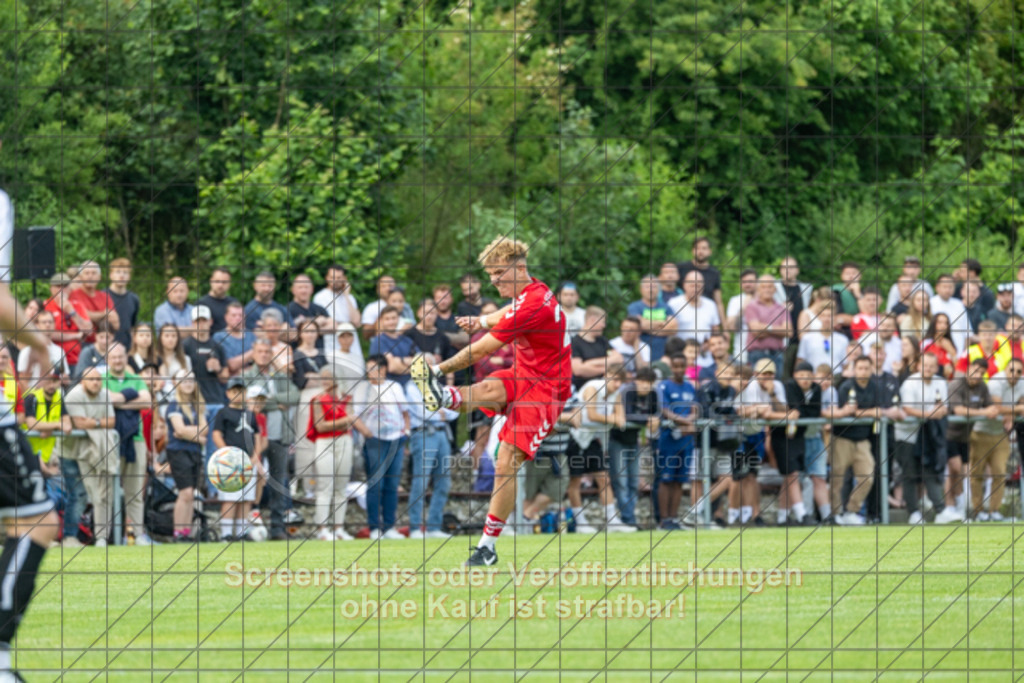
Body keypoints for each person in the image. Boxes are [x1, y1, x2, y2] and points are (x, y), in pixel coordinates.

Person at [409, 236, 573, 567]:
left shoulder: (533, 304)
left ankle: (488, 546)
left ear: (520, 268)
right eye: (491, 274)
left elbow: (482, 349)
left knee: (505, 460)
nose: (493, 280)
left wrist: (437, 368)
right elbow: (507, 312)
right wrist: (481, 321)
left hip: (547, 390)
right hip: (525, 373)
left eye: (499, 272)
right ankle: (444, 397)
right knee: (485, 390)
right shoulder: (531, 292)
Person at [241, 339, 300, 540]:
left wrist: (267, 401)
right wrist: (277, 403)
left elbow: (295, 396)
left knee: (279, 482)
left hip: (279, 437)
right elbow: (247, 402)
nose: (264, 355)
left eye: (268, 351)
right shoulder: (247, 376)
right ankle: (246, 527)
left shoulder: (280, 377)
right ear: (254, 353)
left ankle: (277, 528)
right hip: (255, 437)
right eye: (260, 351)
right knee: (250, 481)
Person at [567, 365, 632, 533]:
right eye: (614, 379)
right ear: (605, 376)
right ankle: (580, 523)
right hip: (575, 438)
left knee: (604, 479)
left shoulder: (616, 394)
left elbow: (621, 418)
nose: (617, 384)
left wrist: (616, 418)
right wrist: (612, 418)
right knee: (575, 481)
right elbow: (592, 414)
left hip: (593, 439)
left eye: (620, 381)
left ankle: (612, 521)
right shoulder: (592, 387)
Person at [104, 343, 154, 544]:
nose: (117, 360)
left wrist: (118, 400)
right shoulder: (101, 379)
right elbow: (104, 400)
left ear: (126, 357)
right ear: (108, 359)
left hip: (136, 440)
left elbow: (146, 402)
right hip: (110, 440)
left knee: (135, 492)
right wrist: (130, 396)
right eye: (113, 357)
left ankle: (136, 535)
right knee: (107, 491)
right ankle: (105, 536)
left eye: (120, 356)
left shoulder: (136, 379)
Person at [896, 352, 955, 524]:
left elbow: (943, 406)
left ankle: (940, 510)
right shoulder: (909, 384)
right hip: (907, 435)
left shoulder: (940, 382)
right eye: (925, 365)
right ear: (918, 366)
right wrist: (930, 414)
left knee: (931, 470)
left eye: (931, 365)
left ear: (936, 367)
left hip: (928, 434)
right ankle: (913, 513)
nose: (928, 369)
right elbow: (907, 409)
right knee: (910, 474)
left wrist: (939, 412)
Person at [64, 368, 119, 548]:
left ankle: (102, 537)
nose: (95, 382)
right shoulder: (74, 395)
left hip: (99, 449)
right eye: (91, 379)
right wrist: (99, 423)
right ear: (82, 381)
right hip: (72, 451)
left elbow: (112, 421)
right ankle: (69, 537)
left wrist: (93, 422)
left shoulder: (104, 394)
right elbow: (79, 423)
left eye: (98, 379)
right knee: (80, 494)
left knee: (104, 493)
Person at [357, 355, 409, 540]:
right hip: (375, 441)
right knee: (375, 484)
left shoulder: (395, 387)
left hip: (396, 439)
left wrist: (406, 433)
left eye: (373, 368)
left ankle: (389, 527)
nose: (369, 372)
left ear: (383, 369)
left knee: (392, 485)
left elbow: (404, 412)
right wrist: (368, 434)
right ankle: (374, 528)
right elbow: (355, 416)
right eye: (368, 368)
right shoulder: (363, 390)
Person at [732, 358, 788, 527]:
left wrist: (772, 396)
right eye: (764, 375)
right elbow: (746, 411)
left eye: (770, 375)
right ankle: (732, 515)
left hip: (756, 435)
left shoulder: (777, 387)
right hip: (741, 434)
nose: (767, 379)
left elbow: (780, 410)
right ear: (756, 375)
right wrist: (763, 411)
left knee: (752, 476)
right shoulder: (750, 387)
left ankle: (753, 514)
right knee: (738, 477)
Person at [306, 366, 358, 541]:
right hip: (325, 442)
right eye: (323, 378)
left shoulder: (347, 398)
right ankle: (322, 529)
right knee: (325, 486)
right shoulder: (317, 400)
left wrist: (340, 423)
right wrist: (344, 420)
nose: (325, 381)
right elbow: (320, 426)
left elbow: (349, 424)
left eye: (328, 378)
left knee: (341, 487)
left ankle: (339, 528)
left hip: (344, 441)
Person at [950, 359, 1004, 522]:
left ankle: (963, 508)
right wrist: (984, 412)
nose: (978, 375)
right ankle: (952, 507)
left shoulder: (982, 387)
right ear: (968, 369)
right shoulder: (956, 384)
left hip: (965, 436)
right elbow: (958, 410)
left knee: (964, 472)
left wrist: (992, 410)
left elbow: (991, 408)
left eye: (982, 373)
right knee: (955, 469)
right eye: (976, 371)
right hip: (948, 434)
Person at [831, 356, 881, 525]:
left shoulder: (874, 387)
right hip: (842, 438)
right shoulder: (846, 387)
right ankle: (836, 513)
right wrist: (869, 412)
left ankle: (851, 510)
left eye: (866, 368)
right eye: (860, 368)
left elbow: (881, 410)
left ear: (871, 369)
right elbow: (850, 411)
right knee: (837, 478)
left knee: (868, 477)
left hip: (862, 439)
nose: (863, 371)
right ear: (854, 370)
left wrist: (865, 412)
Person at [405, 377, 458, 539]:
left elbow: (454, 410)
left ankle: (434, 526)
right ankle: (415, 527)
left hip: (442, 433)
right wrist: (440, 412)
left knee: (444, 481)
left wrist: (438, 412)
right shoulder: (411, 387)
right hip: (423, 433)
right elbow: (422, 412)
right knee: (420, 481)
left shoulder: (438, 387)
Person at [608, 367, 660, 528]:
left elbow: (657, 414)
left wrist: (654, 419)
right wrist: (648, 419)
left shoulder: (653, 394)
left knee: (633, 482)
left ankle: (629, 517)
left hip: (634, 440)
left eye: (649, 383)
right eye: (642, 382)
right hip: (617, 440)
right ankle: (627, 518)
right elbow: (626, 415)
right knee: (621, 481)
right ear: (636, 380)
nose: (645, 386)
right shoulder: (627, 392)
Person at [212, 378, 264, 542]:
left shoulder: (250, 414)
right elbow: (217, 434)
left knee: (246, 498)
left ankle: (242, 532)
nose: (238, 395)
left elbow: (257, 436)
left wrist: (255, 455)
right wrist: (227, 453)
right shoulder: (223, 412)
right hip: (230, 462)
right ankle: (226, 533)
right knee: (230, 498)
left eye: (241, 391)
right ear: (228, 393)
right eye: (234, 391)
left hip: (249, 461)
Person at [655, 354, 698, 530]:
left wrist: (691, 419)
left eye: (682, 366)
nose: (679, 370)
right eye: (676, 366)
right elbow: (665, 411)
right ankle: (663, 520)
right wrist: (686, 421)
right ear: (671, 367)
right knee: (666, 479)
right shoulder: (663, 386)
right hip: (668, 439)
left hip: (686, 440)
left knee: (680, 480)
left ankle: (674, 518)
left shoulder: (689, 386)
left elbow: (695, 410)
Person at [165, 370, 208, 542]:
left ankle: (187, 532)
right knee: (185, 493)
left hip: (194, 452)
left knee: (192, 494)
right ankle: (178, 532)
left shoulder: (197, 406)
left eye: (191, 380)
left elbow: (205, 429)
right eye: (184, 381)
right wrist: (198, 436)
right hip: (178, 451)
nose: (188, 384)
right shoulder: (174, 405)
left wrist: (188, 433)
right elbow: (179, 430)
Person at [668, 270, 721, 367]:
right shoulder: (674, 304)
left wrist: (709, 343)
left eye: (698, 285)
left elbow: (715, 330)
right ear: (684, 285)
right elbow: (668, 331)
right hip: (682, 359)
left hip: (705, 359)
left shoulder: (711, 305)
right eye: (692, 285)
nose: (695, 289)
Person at [744, 274, 791, 373]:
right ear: (758, 289)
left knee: (776, 385)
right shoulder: (752, 307)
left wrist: (766, 328)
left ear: (775, 289)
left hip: (777, 354)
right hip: (757, 354)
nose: (767, 290)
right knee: (756, 385)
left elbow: (789, 332)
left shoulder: (782, 309)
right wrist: (778, 330)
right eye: (763, 287)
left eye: (770, 287)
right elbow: (756, 331)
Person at [183, 305, 228, 407]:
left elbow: (225, 378)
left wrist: (218, 370)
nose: (201, 324)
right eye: (197, 321)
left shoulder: (218, 346)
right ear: (192, 323)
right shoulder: (185, 346)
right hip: (194, 401)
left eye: (204, 320)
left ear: (210, 322)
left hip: (216, 400)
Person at [45, 271, 92, 369]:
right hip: (54, 361)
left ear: (70, 288)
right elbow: (48, 333)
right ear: (51, 289)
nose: (62, 290)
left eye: (65, 286)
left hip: (77, 360)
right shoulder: (45, 306)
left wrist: (71, 312)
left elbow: (88, 331)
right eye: (58, 286)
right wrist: (76, 335)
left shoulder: (77, 305)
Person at [627, 274, 677, 363]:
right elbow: (638, 325)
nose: (650, 290)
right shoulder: (634, 307)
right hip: (641, 354)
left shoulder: (666, 307)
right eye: (647, 287)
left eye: (654, 287)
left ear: (658, 290)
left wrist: (648, 327)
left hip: (663, 355)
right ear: (641, 290)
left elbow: (674, 328)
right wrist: (663, 323)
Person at [570, 306, 623, 390]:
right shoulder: (574, 342)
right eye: (602, 322)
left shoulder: (602, 341)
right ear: (592, 320)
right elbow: (578, 370)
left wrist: (589, 364)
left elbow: (619, 358)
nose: (604, 326)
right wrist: (607, 368)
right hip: (585, 389)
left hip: (607, 388)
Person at [677, 236, 726, 327]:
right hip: (682, 317)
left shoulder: (714, 273)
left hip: (706, 318)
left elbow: (718, 302)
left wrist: (725, 328)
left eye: (704, 248)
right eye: (697, 248)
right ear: (692, 250)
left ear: (709, 251)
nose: (700, 251)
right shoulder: (682, 268)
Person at [68, 260, 120, 342]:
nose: (90, 276)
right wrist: (104, 314)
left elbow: (116, 325)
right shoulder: (73, 295)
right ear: (81, 277)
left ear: (99, 277)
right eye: (87, 273)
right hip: (82, 343)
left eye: (93, 273)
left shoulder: (105, 296)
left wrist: (93, 317)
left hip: (104, 344)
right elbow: (82, 317)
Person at [313, 265, 361, 353]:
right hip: (332, 346)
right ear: (327, 278)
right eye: (332, 277)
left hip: (353, 347)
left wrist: (346, 295)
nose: (335, 281)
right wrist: (347, 324)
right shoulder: (320, 297)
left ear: (344, 279)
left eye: (339, 277)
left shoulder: (350, 297)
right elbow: (323, 323)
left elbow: (357, 322)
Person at [368, 305, 418, 386]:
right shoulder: (379, 341)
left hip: (412, 385)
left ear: (398, 318)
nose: (391, 322)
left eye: (393, 318)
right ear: (381, 321)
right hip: (391, 387)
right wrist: (413, 366)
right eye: (387, 319)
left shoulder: (407, 340)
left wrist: (400, 361)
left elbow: (423, 360)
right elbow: (392, 367)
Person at [796, 306, 850, 374]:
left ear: (835, 318)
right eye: (823, 316)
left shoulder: (843, 340)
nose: (826, 319)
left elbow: (846, 364)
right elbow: (800, 360)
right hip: (814, 377)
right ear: (818, 317)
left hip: (836, 377)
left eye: (830, 316)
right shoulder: (807, 338)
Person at [287, 273, 334, 346]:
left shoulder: (319, 308)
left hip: (319, 355)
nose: (304, 290)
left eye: (306, 287)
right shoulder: (287, 309)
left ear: (312, 289)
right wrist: (316, 323)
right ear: (293, 290)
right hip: (298, 355)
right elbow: (289, 334)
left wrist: (301, 329)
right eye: (300, 287)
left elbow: (333, 326)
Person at [213, 302, 256, 377]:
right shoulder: (219, 337)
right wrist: (253, 351)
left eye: (240, 315)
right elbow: (231, 365)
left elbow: (258, 362)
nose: (238, 318)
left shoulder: (251, 335)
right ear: (226, 317)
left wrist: (245, 371)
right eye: (234, 315)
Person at [105, 257, 140, 348]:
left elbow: (133, 327)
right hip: (106, 348)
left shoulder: (134, 299)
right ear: (111, 275)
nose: (121, 276)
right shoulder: (102, 296)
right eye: (118, 272)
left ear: (129, 276)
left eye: (125, 272)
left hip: (126, 349)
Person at [931, 274, 970, 353]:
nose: (947, 290)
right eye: (944, 287)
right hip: (936, 354)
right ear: (937, 287)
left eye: (950, 287)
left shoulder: (959, 304)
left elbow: (967, 333)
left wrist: (964, 354)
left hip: (959, 353)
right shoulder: (930, 303)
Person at [725, 269, 758, 363]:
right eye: (744, 282)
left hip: (762, 354)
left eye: (751, 281)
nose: (747, 284)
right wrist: (743, 309)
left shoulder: (765, 300)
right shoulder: (735, 301)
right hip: (741, 355)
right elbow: (731, 327)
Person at [196, 267, 239, 334]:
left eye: (224, 282)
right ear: (211, 281)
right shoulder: (202, 304)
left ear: (229, 284)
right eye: (217, 281)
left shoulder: (234, 303)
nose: (220, 285)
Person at [156, 323, 192, 401]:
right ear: (160, 338)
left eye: (173, 336)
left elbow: (190, 384)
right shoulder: (155, 359)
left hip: (181, 400)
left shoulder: (186, 360)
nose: (170, 339)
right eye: (167, 336)